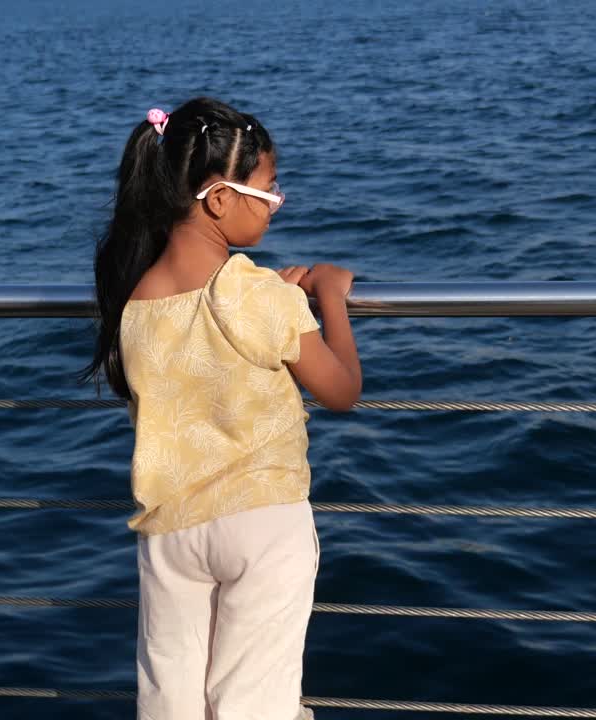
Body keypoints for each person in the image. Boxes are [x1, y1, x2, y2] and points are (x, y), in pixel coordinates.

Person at [78, 96, 362, 720]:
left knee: (171, 705)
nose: (275, 202)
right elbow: (342, 390)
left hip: (172, 530)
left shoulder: (136, 300)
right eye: (267, 188)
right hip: (262, 524)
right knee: (253, 705)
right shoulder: (257, 293)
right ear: (218, 197)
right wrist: (328, 298)